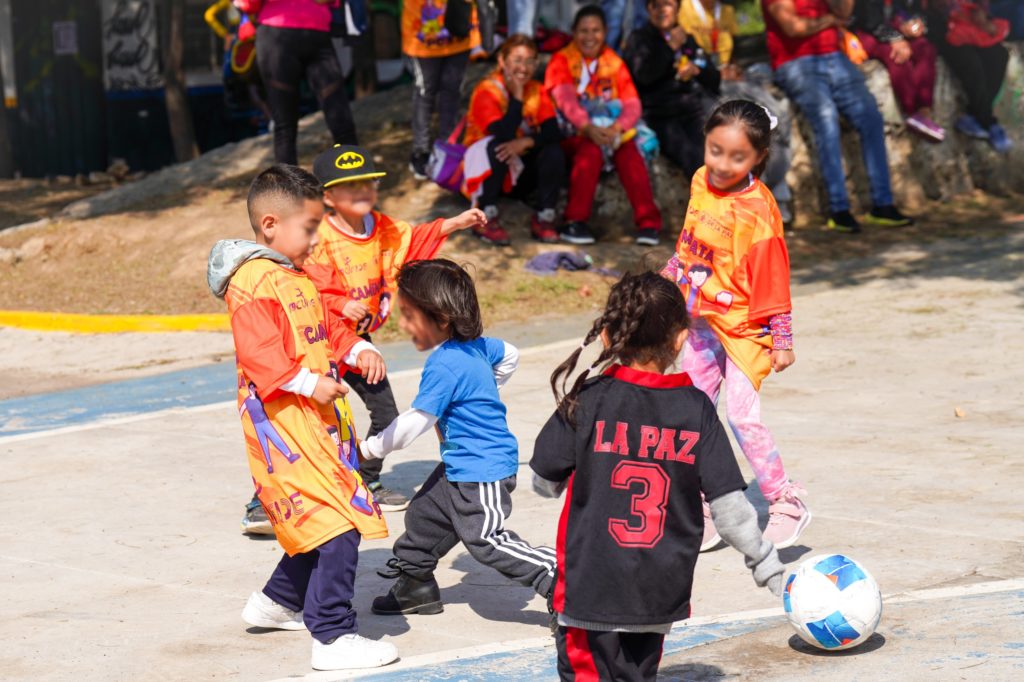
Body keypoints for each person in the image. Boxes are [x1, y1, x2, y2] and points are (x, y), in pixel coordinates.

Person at [531, 271, 784, 681]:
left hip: (590, 587)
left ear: (609, 336)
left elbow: (543, 481)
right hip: (658, 592)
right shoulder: (696, 408)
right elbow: (730, 509)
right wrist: (766, 564)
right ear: (681, 338)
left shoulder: (590, 399)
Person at [206, 164, 396, 671]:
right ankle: (333, 635)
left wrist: (353, 347)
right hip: (286, 428)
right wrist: (312, 383)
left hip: (315, 422)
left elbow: (319, 329)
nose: (316, 239)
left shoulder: (291, 274)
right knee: (340, 522)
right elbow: (261, 355)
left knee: (317, 519)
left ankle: (276, 602)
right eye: (309, 228)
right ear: (271, 223)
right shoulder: (252, 282)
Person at [359, 259, 557, 618]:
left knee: (486, 540)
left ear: (442, 318)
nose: (403, 325)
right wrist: (486, 390)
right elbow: (510, 353)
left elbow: (414, 423)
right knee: (425, 515)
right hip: (461, 464)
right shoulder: (476, 347)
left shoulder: (446, 363)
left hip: (482, 469)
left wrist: (368, 450)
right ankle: (415, 584)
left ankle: (559, 578)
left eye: (409, 316)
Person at [303, 144, 486, 511]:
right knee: (304, 417)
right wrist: (340, 303)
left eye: (368, 183)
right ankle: (265, 499)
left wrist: (454, 223)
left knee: (385, 412)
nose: (362, 191)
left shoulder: (383, 228)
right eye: (350, 185)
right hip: (318, 337)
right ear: (328, 196)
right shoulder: (316, 237)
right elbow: (309, 286)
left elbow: (413, 241)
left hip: (359, 340)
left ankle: (366, 479)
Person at [662, 100, 811, 551]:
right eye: (715, 150)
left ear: (759, 158)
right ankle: (704, 505)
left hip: (748, 328)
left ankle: (785, 501)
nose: (723, 165)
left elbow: (772, 277)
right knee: (692, 413)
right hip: (701, 321)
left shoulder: (759, 211)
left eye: (738, 157)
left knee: (741, 416)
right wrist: (667, 286)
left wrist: (781, 338)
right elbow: (689, 246)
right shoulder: (698, 181)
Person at [761, 0, 914, 233]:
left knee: (871, 117)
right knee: (826, 119)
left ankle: (883, 205)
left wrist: (831, 18)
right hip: (796, 63)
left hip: (835, 58)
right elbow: (794, 27)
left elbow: (844, 12)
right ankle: (839, 209)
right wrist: (829, 21)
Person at [545, 4, 664, 246]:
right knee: (591, 149)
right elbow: (566, 101)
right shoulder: (561, 60)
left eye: (596, 30)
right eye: (584, 31)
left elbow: (632, 103)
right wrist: (588, 127)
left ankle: (649, 223)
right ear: (573, 32)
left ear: (605, 31)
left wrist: (617, 128)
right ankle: (575, 222)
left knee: (629, 149)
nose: (590, 37)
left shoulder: (613, 61)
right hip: (572, 133)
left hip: (609, 132)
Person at [677, 0, 796, 223]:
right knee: (736, 128)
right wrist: (712, 72)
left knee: (777, 117)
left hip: (733, 81)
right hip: (706, 85)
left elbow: (734, 52)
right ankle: (755, 200)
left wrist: (734, 67)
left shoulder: (727, 12)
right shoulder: (683, 9)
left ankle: (774, 189)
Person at [462, 34, 565, 246]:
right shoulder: (487, 90)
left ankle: (545, 216)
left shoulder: (536, 90)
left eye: (530, 61)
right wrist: (517, 98)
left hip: (518, 171)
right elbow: (503, 133)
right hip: (487, 171)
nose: (524, 67)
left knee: (553, 150)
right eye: (517, 60)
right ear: (502, 61)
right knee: (497, 146)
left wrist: (526, 142)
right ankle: (485, 214)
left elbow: (554, 131)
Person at [236, 0, 358, 164]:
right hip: (286, 34)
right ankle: (355, 178)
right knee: (334, 118)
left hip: (303, 34)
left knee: (291, 124)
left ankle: (356, 179)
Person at [624, 0, 721, 178]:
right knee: (696, 160)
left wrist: (696, 70)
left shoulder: (686, 38)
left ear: (677, 8)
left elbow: (714, 80)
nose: (662, 10)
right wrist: (671, 48)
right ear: (648, 10)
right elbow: (642, 76)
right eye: (655, 5)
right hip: (660, 116)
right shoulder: (639, 39)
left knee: (720, 156)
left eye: (667, 4)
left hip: (692, 111)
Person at [923, 0, 1013, 153]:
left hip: (970, 27)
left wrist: (983, 17)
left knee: (999, 55)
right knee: (970, 61)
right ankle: (988, 121)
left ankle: (974, 116)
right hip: (942, 26)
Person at [403, 0, 479, 179]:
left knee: (452, 90)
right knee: (425, 92)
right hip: (422, 36)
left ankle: (446, 148)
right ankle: (420, 151)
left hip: (460, 29)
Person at [849, 1, 945, 142]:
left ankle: (924, 112)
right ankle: (911, 110)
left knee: (926, 49)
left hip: (892, 28)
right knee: (897, 56)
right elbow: (870, 21)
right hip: (866, 32)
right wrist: (895, 39)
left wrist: (914, 25)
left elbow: (913, 11)